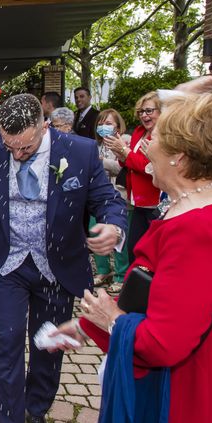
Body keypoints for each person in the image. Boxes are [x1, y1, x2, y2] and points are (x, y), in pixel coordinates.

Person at [0, 93, 127, 423]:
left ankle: (37, 409)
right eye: (11, 147)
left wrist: (113, 227)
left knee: (49, 345)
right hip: (6, 266)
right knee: (6, 342)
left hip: (58, 266)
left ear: (44, 125)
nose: (17, 155)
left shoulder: (79, 151)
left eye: (25, 148)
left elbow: (107, 199)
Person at [51, 77, 212, 423]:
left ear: (179, 158)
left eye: (154, 140)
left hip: (179, 397)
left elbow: (161, 343)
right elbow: (153, 303)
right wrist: (88, 326)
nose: (143, 146)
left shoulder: (196, 228)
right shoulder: (185, 209)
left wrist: (110, 317)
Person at [103, 92, 161, 264]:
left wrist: (126, 152)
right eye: (141, 112)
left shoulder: (164, 135)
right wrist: (120, 154)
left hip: (154, 201)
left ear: (162, 111)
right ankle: (137, 288)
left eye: (149, 111)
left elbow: (148, 167)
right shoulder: (139, 132)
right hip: (136, 200)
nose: (144, 115)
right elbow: (128, 164)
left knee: (154, 253)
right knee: (134, 248)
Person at [92, 109, 130, 292]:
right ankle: (102, 271)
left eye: (108, 123)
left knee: (118, 237)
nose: (104, 127)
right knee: (96, 233)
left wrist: (101, 161)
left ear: (117, 125)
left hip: (119, 196)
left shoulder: (126, 141)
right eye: (101, 123)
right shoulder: (96, 144)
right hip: (96, 198)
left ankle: (121, 276)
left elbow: (122, 167)